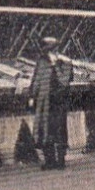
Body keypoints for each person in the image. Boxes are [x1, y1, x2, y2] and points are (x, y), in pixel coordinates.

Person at [28, 36, 72, 169]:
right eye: (47, 49)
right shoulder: (42, 61)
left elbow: (64, 82)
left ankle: (61, 161)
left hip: (58, 102)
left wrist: (57, 64)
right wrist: (32, 96)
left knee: (59, 131)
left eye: (50, 49)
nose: (48, 52)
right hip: (44, 102)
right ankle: (49, 161)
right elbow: (36, 79)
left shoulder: (64, 62)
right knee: (45, 131)